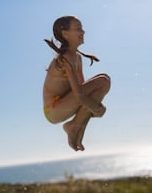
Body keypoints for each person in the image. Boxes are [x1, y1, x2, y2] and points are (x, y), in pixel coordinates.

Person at [43, 15, 111, 151]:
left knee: (102, 82)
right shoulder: (66, 58)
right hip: (53, 109)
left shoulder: (77, 58)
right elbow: (80, 96)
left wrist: (94, 105)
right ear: (65, 34)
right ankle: (73, 126)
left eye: (82, 29)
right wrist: (97, 108)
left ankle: (76, 132)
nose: (83, 32)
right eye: (78, 29)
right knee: (103, 81)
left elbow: (83, 91)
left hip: (64, 105)